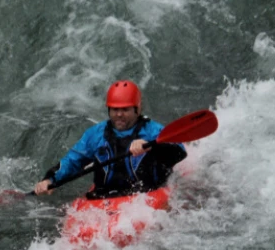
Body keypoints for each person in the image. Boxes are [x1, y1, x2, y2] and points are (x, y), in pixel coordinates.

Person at [34, 80, 187, 199]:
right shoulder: (96, 134)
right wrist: (49, 180)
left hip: (146, 194)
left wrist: (152, 147)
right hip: (105, 196)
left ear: (137, 109)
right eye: (115, 109)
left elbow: (179, 153)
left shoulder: (153, 131)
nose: (119, 114)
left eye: (125, 109)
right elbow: (73, 161)